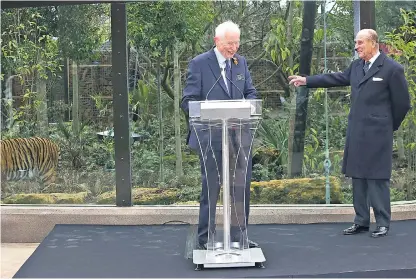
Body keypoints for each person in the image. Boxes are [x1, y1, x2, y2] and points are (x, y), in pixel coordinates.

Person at [289, 29, 411, 238]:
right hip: (357, 131)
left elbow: (403, 104)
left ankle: (382, 222)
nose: (357, 47)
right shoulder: (356, 66)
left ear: (374, 43)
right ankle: (361, 221)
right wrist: (306, 81)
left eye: (360, 43)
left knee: (377, 177)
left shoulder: (392, 69)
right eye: (356, 43)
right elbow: (335, 78)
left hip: (379, 132)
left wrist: (389, 125)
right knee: (358, 176)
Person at [181, 21, 259, 249]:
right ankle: (205, 239)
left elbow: (250, 92)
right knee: (211, 188)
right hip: (211, 137)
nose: (233, 48)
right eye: (229, 43)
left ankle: (239, 237)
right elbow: (188, 100)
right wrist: (206, 112)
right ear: (216, 41)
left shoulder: (240, 62)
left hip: (239, 136)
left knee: (240, 189)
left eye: (236, 43)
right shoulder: (199, 63)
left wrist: (251, 104)